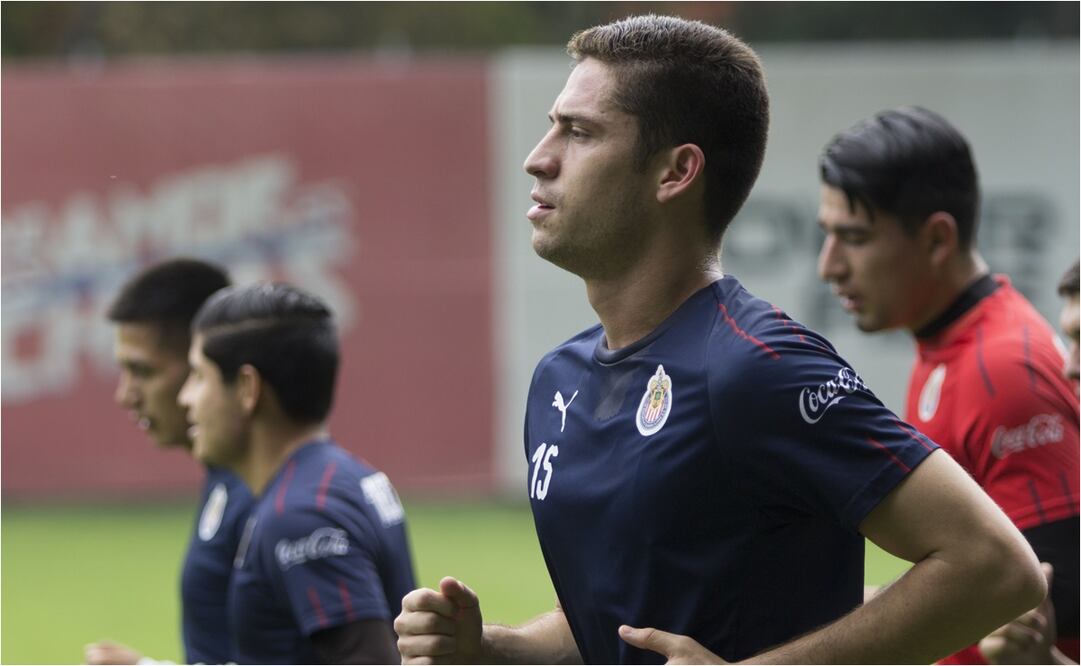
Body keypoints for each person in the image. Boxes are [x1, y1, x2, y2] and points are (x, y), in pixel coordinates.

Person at [395, 14, 1046, 665]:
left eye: (580, 132)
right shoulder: (558, 379)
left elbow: (993, 564)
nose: (538, 157)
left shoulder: (755, 367)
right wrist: (493, 649)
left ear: (675, 172)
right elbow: (621, 619)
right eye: (552, 126)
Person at [816, 107, 1080, 664]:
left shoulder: (1001, 370)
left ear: (938, 239)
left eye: (854, 238)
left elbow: (1058, 594)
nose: (828, 266)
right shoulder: (951, 344)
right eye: (827, 236)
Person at [177, 282, 415, 664]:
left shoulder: (300, 514)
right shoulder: (343, 477)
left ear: (247, 388)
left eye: (199, 376)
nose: (185, 397)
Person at [85, 258, 253, 665]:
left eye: (142, 371)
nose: (126, 395)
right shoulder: (226, 479)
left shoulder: (269, 497)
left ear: (203, 364)